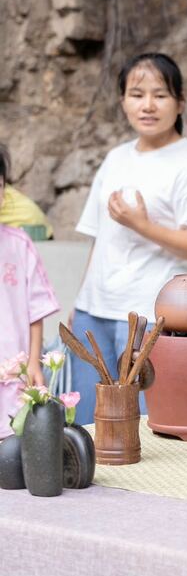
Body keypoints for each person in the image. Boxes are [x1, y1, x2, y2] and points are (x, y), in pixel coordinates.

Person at [70, 53, 187, 425]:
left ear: (180, 102)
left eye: (160, 95)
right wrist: (80, 301)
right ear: (123, 100)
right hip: (94, 312)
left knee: (141, 429)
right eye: (137, 94)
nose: (148, 105)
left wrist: (141, 224)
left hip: (148, 315)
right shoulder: (115, 158)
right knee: (89, 426)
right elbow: (99, 238)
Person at [0, 143, 60, 438]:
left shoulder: (19, 244)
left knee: (13, 449)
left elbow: (36, 310)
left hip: (14, 376)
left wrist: (35, 362)